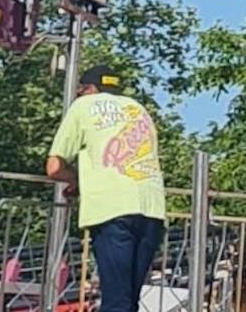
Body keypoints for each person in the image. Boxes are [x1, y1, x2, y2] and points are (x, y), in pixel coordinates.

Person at [46, 60, 167, 312]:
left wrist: (77, 180)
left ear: (86, 89)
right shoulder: (138, 109)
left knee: (115, 299)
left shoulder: (84, 106)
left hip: (112, 208)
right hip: (152, 209)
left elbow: (54, 167)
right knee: (129, 298)